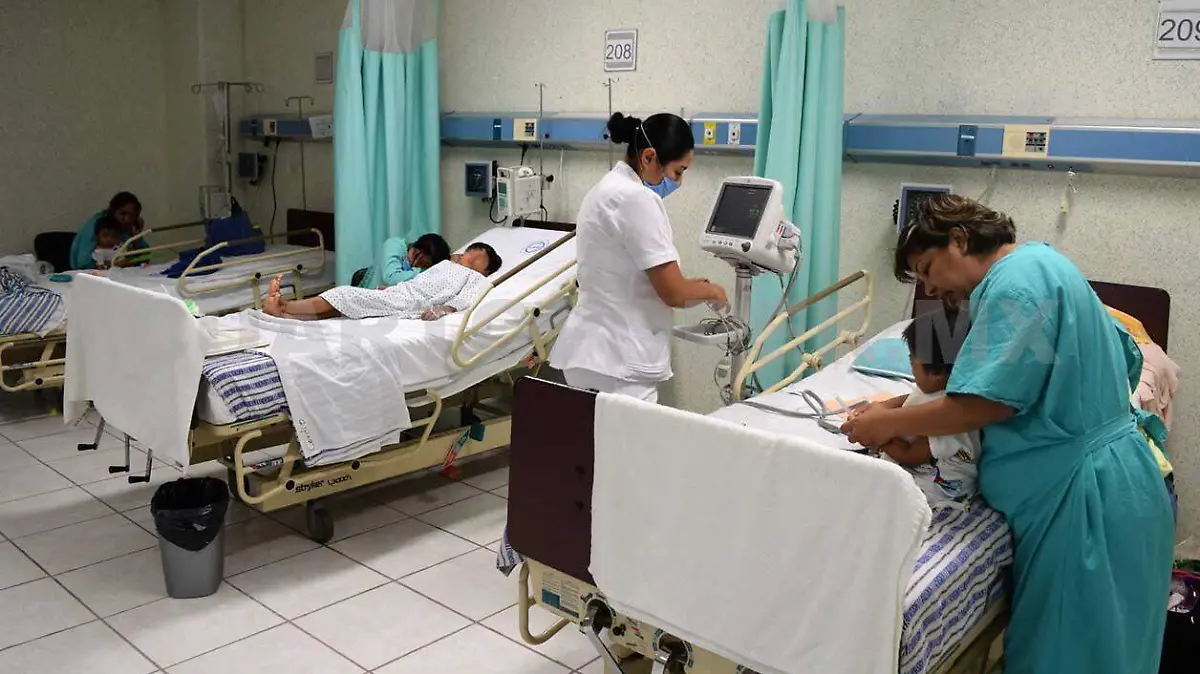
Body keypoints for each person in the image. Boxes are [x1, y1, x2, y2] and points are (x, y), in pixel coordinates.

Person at [840, 195, 1174, 674]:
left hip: (1085, 505)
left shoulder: (1014, 286)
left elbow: (985, 402)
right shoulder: (1040, 265)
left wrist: (887, 424)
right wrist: (895, 406)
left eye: (927, 270)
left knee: (1068, 657)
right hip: (1113, 489)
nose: (929, 288)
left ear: (959, 240)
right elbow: (1003, 383)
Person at [549, 112, 728, 404]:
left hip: (590, 354)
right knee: (630, 436)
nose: (678, 182)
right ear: (648, 157)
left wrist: (691, 286)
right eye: (678, 171)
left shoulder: (604, 189)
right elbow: (672, 293)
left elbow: (629, 275)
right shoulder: (638, 199)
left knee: (591, 434)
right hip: (620, 361)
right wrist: (714, 292)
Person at [875, 306, 980, 509]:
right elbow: (911, 398)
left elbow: (909, 455)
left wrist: (878, 437)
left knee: (891, 494)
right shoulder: (936, 386)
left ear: (936, 375)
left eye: (912, 364)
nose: (911, 368)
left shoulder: (952, 418)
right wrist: (882, 407)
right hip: (920, 458)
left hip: (942, 485)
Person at [263, 242, 501, 321]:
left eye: (476, 260)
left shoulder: (476, 279)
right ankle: (287, 313)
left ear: (485, 270)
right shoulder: (445, 265)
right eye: (469, 254)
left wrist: (445, 309)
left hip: (410, 304)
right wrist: (393, 288)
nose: (469, 259)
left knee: (347, 295)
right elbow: (418, 281)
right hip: (400, 294)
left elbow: (468, 298)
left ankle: (286, 306)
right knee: (349, 304)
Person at [69, 191, 151, 270]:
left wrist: (138, 240)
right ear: (112, 211)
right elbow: (83, 263)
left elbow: (147, 257)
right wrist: (114, 264)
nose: (127, 219)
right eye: (123, 214)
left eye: (131, 215)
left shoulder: (129, 227)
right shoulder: (97, 225)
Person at [357, 233, 452, 289]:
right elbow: (391, 278)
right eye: (422, 264)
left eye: (423, 266)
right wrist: (421, 272)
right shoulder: (394, 245)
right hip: (371, 295)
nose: (414, 265)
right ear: (416, 249)